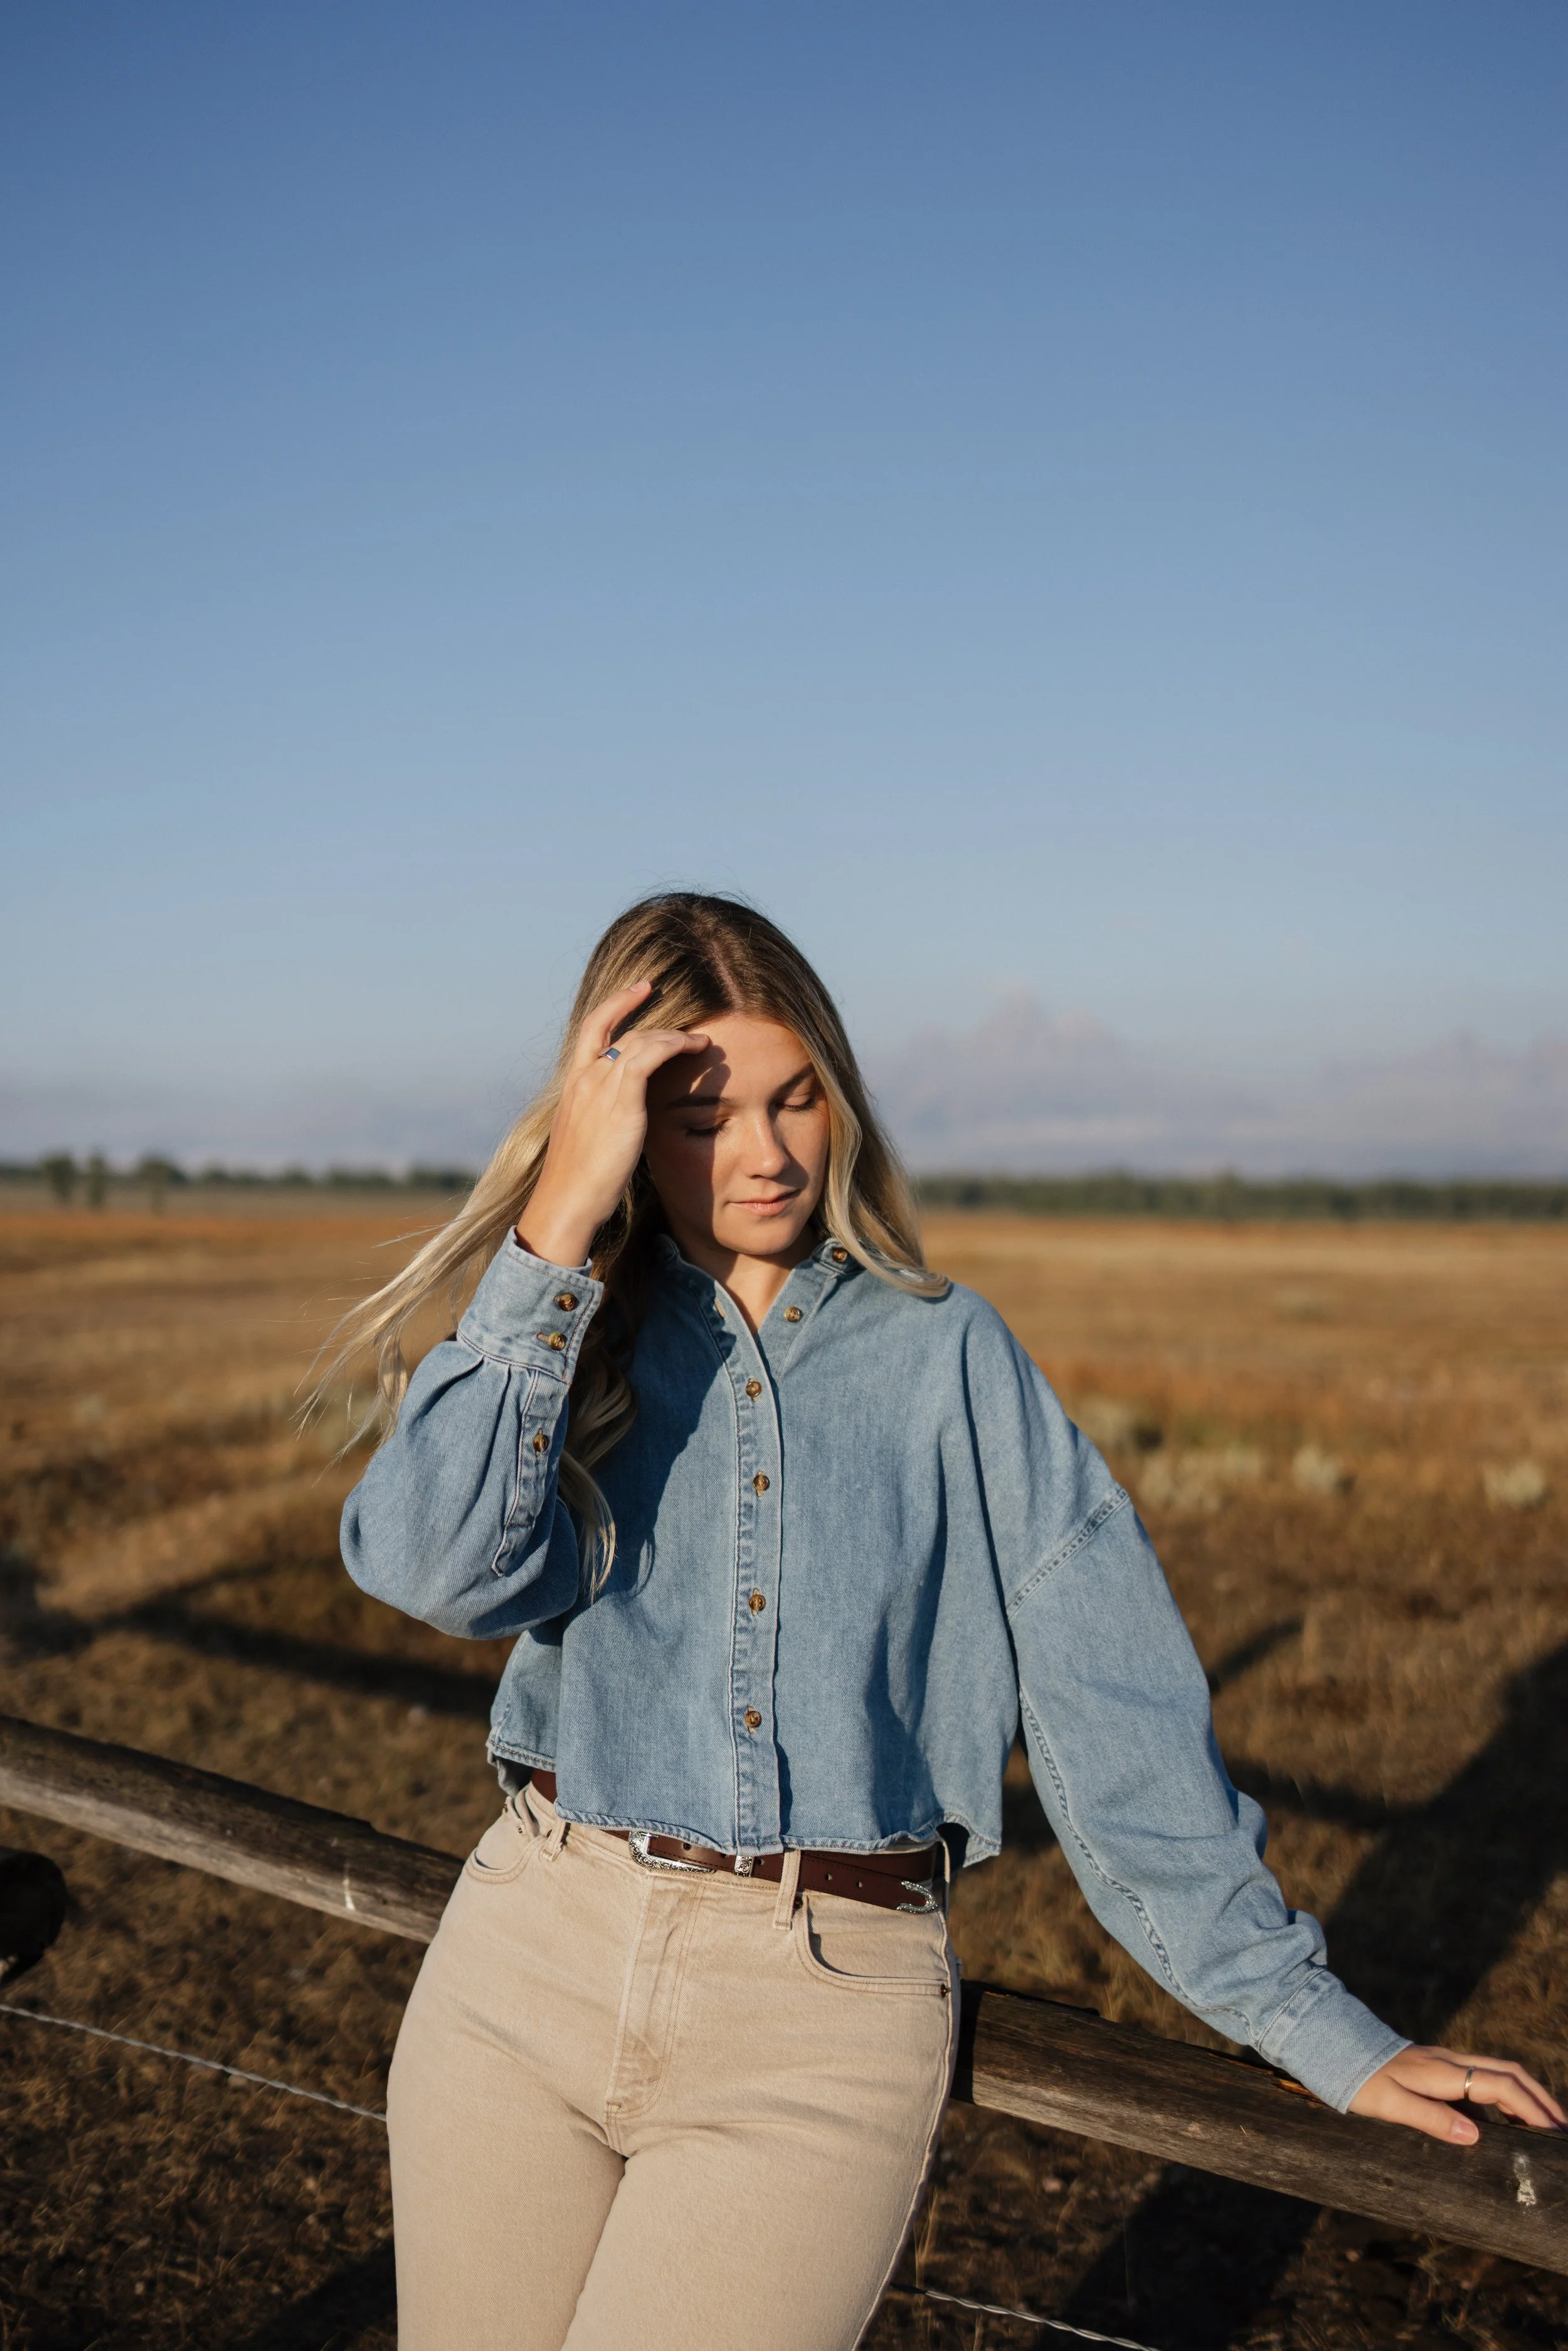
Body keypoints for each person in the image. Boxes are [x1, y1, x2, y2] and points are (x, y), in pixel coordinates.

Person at [331, 892, 1562, 2351]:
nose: (766, 1153)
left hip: (812, 2024)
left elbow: (1116, 1724)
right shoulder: (574, 1339)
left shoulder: (948, 1356)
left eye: (795, 1098)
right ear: (621, 1128)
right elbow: (426, 1564)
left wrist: (1315, 2027)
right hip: (526, 1951)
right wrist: (552, 1227)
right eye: (701, 1117)